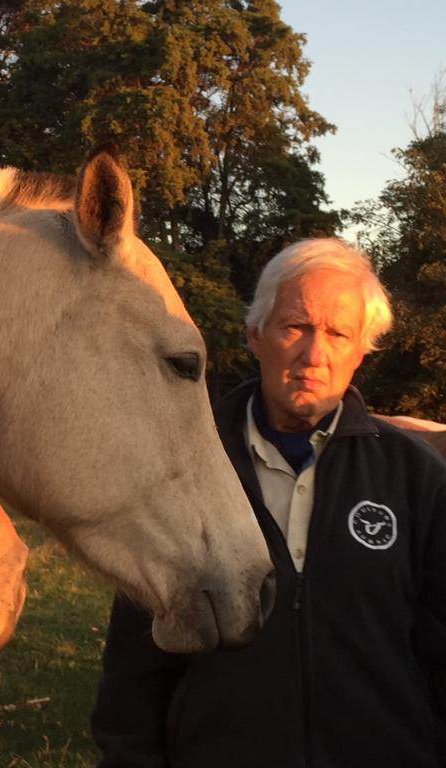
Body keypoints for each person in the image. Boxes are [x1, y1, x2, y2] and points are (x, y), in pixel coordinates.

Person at [90, 237, 446, 768]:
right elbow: (135, 660)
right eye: (295, 326)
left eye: (338, 333)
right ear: (255, 334)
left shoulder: (417, 479)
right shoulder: (181, 472)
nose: (313, 354)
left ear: (361, 352)